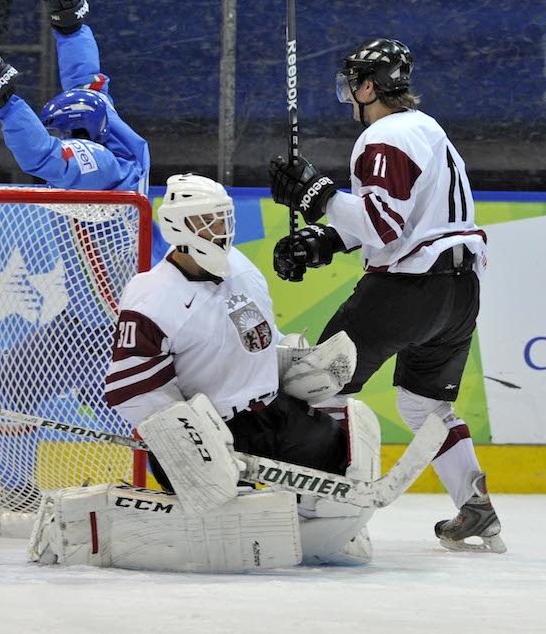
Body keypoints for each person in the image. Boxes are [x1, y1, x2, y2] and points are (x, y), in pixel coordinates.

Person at [27, 173, 383, 572]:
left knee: (338, 457)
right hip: (208, 433)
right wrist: (191, 441)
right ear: (178, 228)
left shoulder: (241, 266)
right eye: (208, 222)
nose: (221, 231)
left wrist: (293, 362)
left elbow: (260, 336)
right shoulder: (151, 297)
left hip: (271, 414)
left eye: (223, 219)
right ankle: (92, 526)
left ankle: (330, 535)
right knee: (233, 525)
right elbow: (134, 390)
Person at [267, 37, 505, 554]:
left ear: (369, 87)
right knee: (421, 406)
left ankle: (322, 511)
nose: (349, 96)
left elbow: (381, 224)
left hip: (410, 290)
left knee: (315, 385)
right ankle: (475, 506)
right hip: (460, 295)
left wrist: (319, 197)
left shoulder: (384, 138)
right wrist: (328, 239)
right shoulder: (428, 130)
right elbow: (401, 222)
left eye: (352, 86)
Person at [0, 0, 169, 513]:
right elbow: (86, 79)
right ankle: (21, 490)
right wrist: (70, 23)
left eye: (61, 132)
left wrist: (6, 99)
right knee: (16, 377)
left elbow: (40, 156)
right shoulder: (110, 129)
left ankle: (188, 479)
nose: (58, 140)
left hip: (110, 330)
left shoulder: (98, 167)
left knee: (142, 417)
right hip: (88, 322)